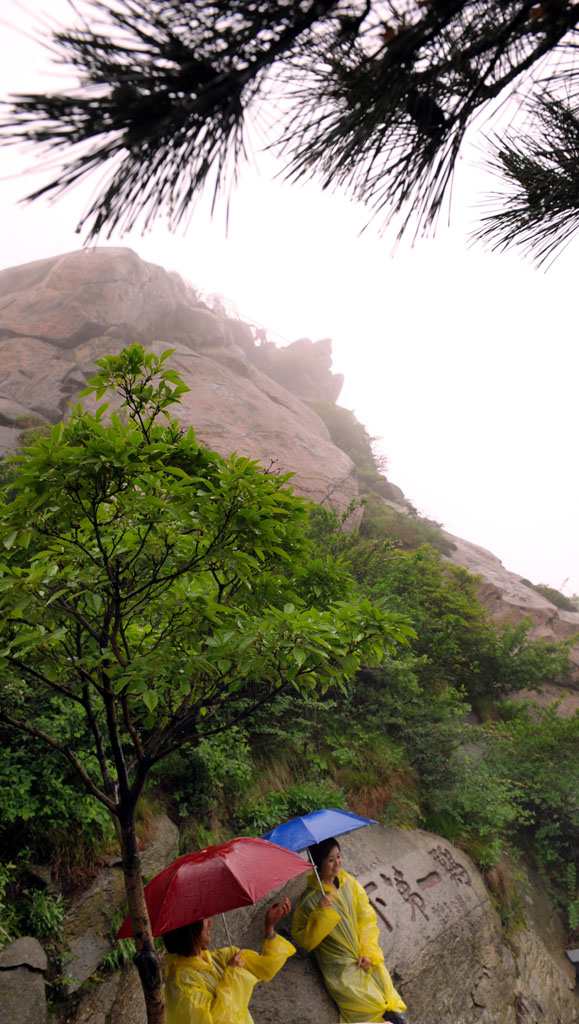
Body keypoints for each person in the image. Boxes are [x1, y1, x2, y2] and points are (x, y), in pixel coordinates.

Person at [291, 838, 408, 1024]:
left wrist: (368, 952)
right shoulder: (310, 900)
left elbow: (366, 919)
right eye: (330, 860)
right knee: (373, 1011)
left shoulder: (349, 884)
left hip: (366, 959)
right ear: (318, 864)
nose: (337, 863)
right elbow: (306, 941)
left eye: (338, 857)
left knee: (393, 1008)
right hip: (341, 970)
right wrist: (321, 913)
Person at [164, 897, 295, 1024]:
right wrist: (232, 976)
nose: (210, 923)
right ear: (190, 929)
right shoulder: (181, 983)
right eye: (203, 919)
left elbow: (264, 967)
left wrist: (269, 927)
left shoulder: (220, 959)